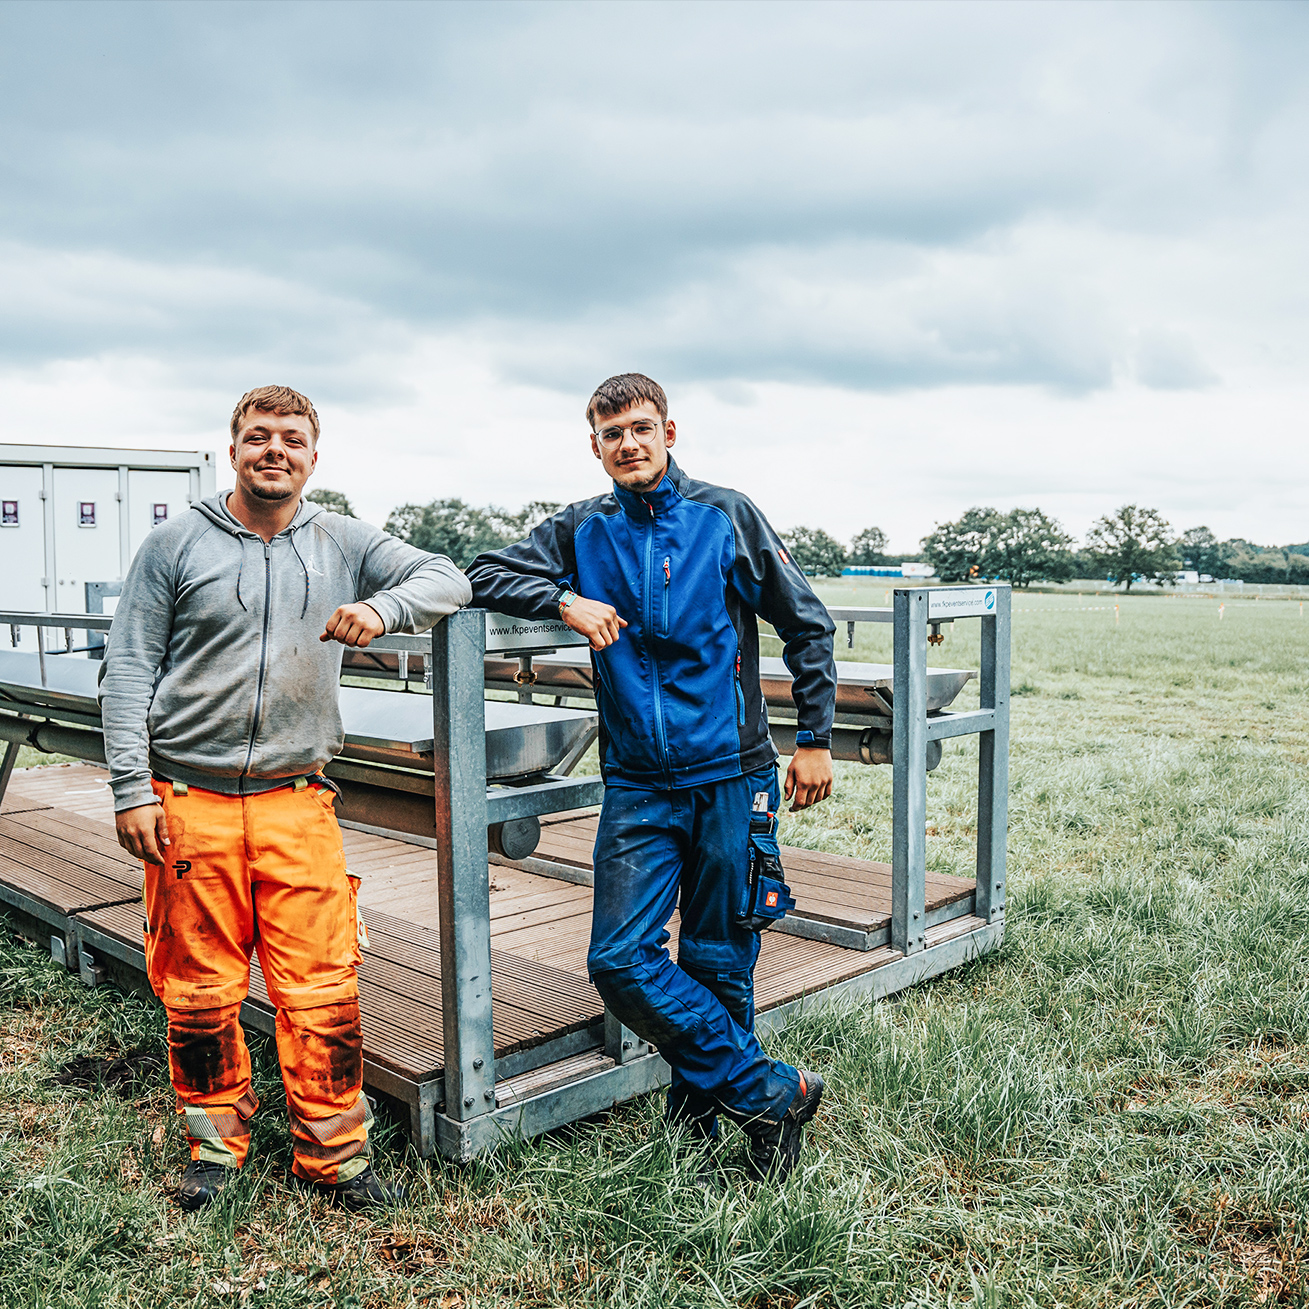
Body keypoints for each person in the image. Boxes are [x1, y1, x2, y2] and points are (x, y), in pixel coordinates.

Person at [99, 384, 471, 1211]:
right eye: (258, 436)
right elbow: (126, 670)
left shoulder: (340, 537)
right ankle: (214, 1146)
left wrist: (383, 605)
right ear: (231, 449)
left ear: (313, 455)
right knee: (199, 991)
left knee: (323, 987)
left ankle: (334, 1156)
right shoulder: (174, 543)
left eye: (292, 438)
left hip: (297, 802)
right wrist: (132, 787)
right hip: (185, 796)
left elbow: (448, 579)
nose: (275, 450)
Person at [466, 373, 837, 1181]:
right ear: (593, 446)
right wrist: (563, 598)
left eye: (640, 428)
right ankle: (772, 1090)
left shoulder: (726, 515)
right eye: (610, 433)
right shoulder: (580, 529)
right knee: (620, 960)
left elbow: (804, 622)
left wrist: (814, 736)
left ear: (671, 430)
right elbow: (484, 572)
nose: (627, 444)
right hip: (636, 780)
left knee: (718, 956)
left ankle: (712, 1133)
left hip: (731, 774)